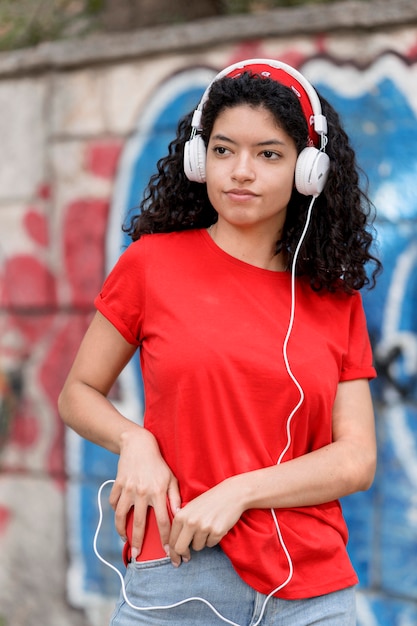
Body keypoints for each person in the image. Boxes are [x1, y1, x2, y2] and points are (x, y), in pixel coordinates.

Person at [58, 59, 382, 626]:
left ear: (309, 171)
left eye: (269, 154)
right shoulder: (151, 265)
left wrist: (239, 493)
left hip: (312, 588)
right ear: (198, 157)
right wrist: (133, 441)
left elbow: (355, 460)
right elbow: (79, 391)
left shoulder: (333, 297)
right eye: (224, 149)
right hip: (177, 572)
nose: (241, 171)